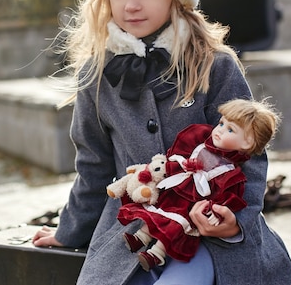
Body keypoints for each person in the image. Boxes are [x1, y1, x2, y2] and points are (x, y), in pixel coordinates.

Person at [32, 0, 291, 284]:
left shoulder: (214, 65)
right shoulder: (96, 75)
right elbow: (93, 165)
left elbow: (249, 150)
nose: (132, 3)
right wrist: (69, 232)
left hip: (208, 225)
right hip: (134, 228)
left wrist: (237, 218)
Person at [117, 99, 281, 272]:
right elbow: (179, 159)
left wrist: (215, 214)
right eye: (221, 123)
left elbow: (226, 198)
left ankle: (156, 254)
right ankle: (140, 237)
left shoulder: (230, 173)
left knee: (176, 226)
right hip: (177, 188)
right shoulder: (200, 142)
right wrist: (173, 167)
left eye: (230, 129)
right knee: (159, 211)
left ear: (246, 143)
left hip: (195, 205)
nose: (219, 131)